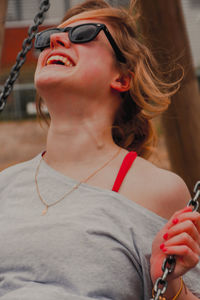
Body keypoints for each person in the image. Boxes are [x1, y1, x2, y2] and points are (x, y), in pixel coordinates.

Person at [0, 0, 200, 299]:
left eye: (83, 34)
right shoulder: (5, 185)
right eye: (46, 38)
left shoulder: (159, 191)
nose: (54, 39)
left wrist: (170, 284)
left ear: (121, 78)